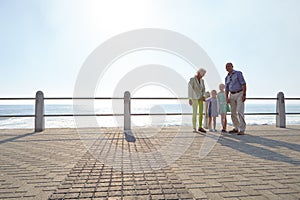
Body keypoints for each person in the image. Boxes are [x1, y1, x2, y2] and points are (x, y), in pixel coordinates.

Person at [225, 62, 247, 135]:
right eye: (226, 67)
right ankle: (236, 127)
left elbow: (243, 84)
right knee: (233, 113)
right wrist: (226, 97)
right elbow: (227, 88)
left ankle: (242, 129)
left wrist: (244, 95)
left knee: (240, 111)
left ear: (232, 66)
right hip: (232, 95)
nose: (227, 68)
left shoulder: (238, 73)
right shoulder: (227, 77)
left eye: (228, 66)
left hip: (239, 93)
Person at [188, 68, 207, 133]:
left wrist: (204, 96)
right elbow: (190, 89)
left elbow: (203, 89)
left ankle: (200, 127)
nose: (203, 75)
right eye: (202, 73)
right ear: (199, 73)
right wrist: (190, 99)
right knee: (195, 113)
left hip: (201, 98)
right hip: (194, 98)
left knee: (201, 113)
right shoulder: (192, 79)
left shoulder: (202, 81)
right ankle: (194, 127)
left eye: (204, 74)